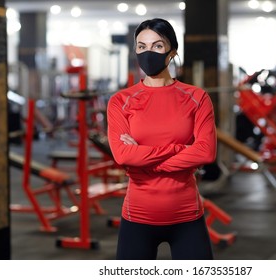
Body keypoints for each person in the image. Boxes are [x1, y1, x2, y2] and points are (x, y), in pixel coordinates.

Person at [107, 18, 217, 260]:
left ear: (172, 51)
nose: (148, 53)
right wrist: (180, 149)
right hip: (137, 217)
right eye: (141, 46)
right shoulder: (120, 101)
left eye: (157, 46)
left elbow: (206, 152)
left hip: (187, 217)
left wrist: (142, 159)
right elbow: (122, 155)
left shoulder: (197, 97)